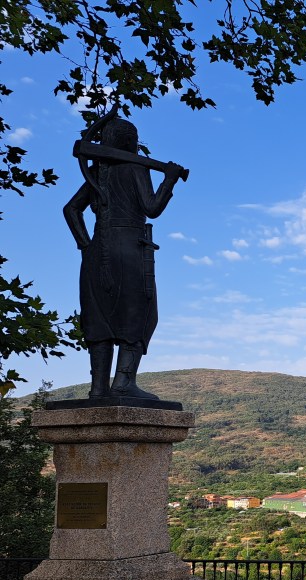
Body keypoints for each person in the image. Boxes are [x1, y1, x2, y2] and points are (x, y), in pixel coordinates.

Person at [63, 117, 184, 399]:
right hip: (130, 246)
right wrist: (169, 178)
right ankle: (123, 382)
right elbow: (152, 208)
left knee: (99, 315)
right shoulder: (135, 168)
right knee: (141, 311)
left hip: (97, 248)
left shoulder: (97, 173)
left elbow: (71, 209)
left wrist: (85, 244)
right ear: (129, 142)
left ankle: (98, 388)